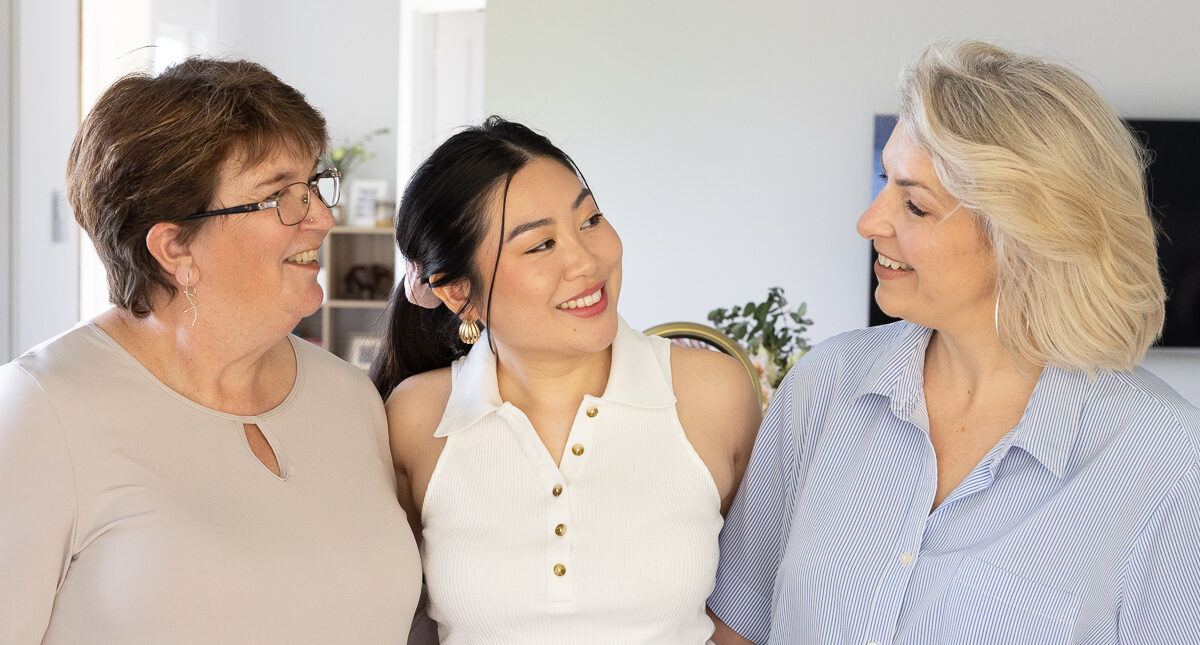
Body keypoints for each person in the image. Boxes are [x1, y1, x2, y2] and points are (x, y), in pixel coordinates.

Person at [708, 41, 1200, 645]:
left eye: (914, 204)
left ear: (1022, 237)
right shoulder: (826, 386)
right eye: (884, 182)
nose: (869, 222)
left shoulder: (1170, 464)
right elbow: (740, 628)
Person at [0, 58, 421, 643]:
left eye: (314, 186)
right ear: (175, 246)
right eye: (280, 196)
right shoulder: (38, 410)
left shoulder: (350, 397)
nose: (322, 218)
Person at [372, 116, 761, 644]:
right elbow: (393, 620)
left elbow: (748, 614)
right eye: (540, 245)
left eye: (591, 219)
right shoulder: (415, 419)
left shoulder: (712, 394)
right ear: (457, 291)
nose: (586, 261)